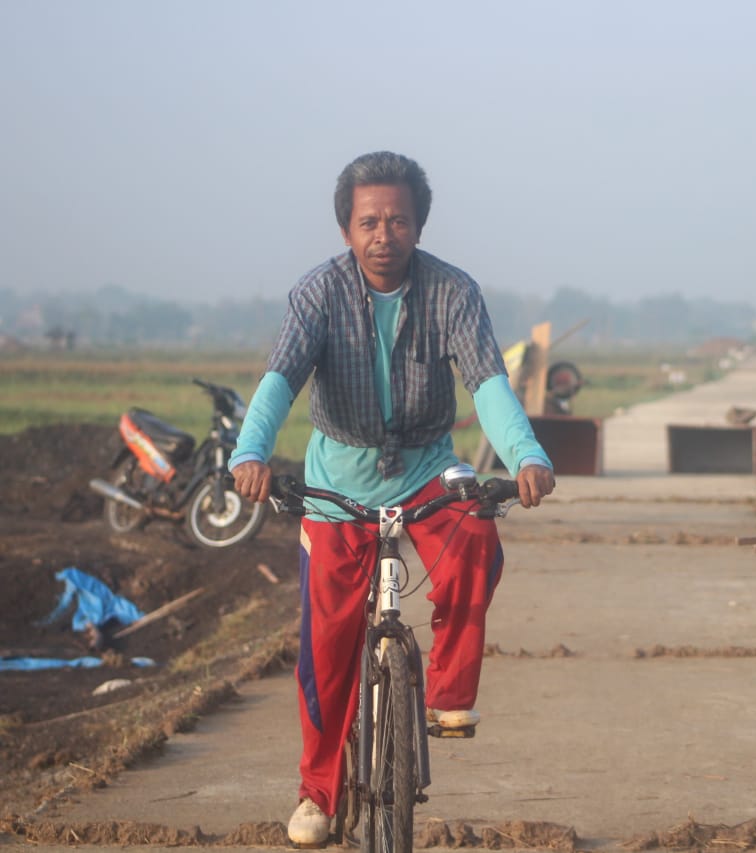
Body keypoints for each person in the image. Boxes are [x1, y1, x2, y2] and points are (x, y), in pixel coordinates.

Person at [230, 150, 556, 846]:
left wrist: (526, 454)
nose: (384, 234)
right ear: (347, 229)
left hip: (427, 469)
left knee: (477, 532)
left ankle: (447, 691)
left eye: (398, 220)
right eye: (369, 221)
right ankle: (318, 791)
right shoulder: (316, 294)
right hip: (336, 482)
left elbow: (488, 384)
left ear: (419, 225)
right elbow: (280, 379)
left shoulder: (453, 292)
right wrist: (250, 452)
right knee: (326, 644)